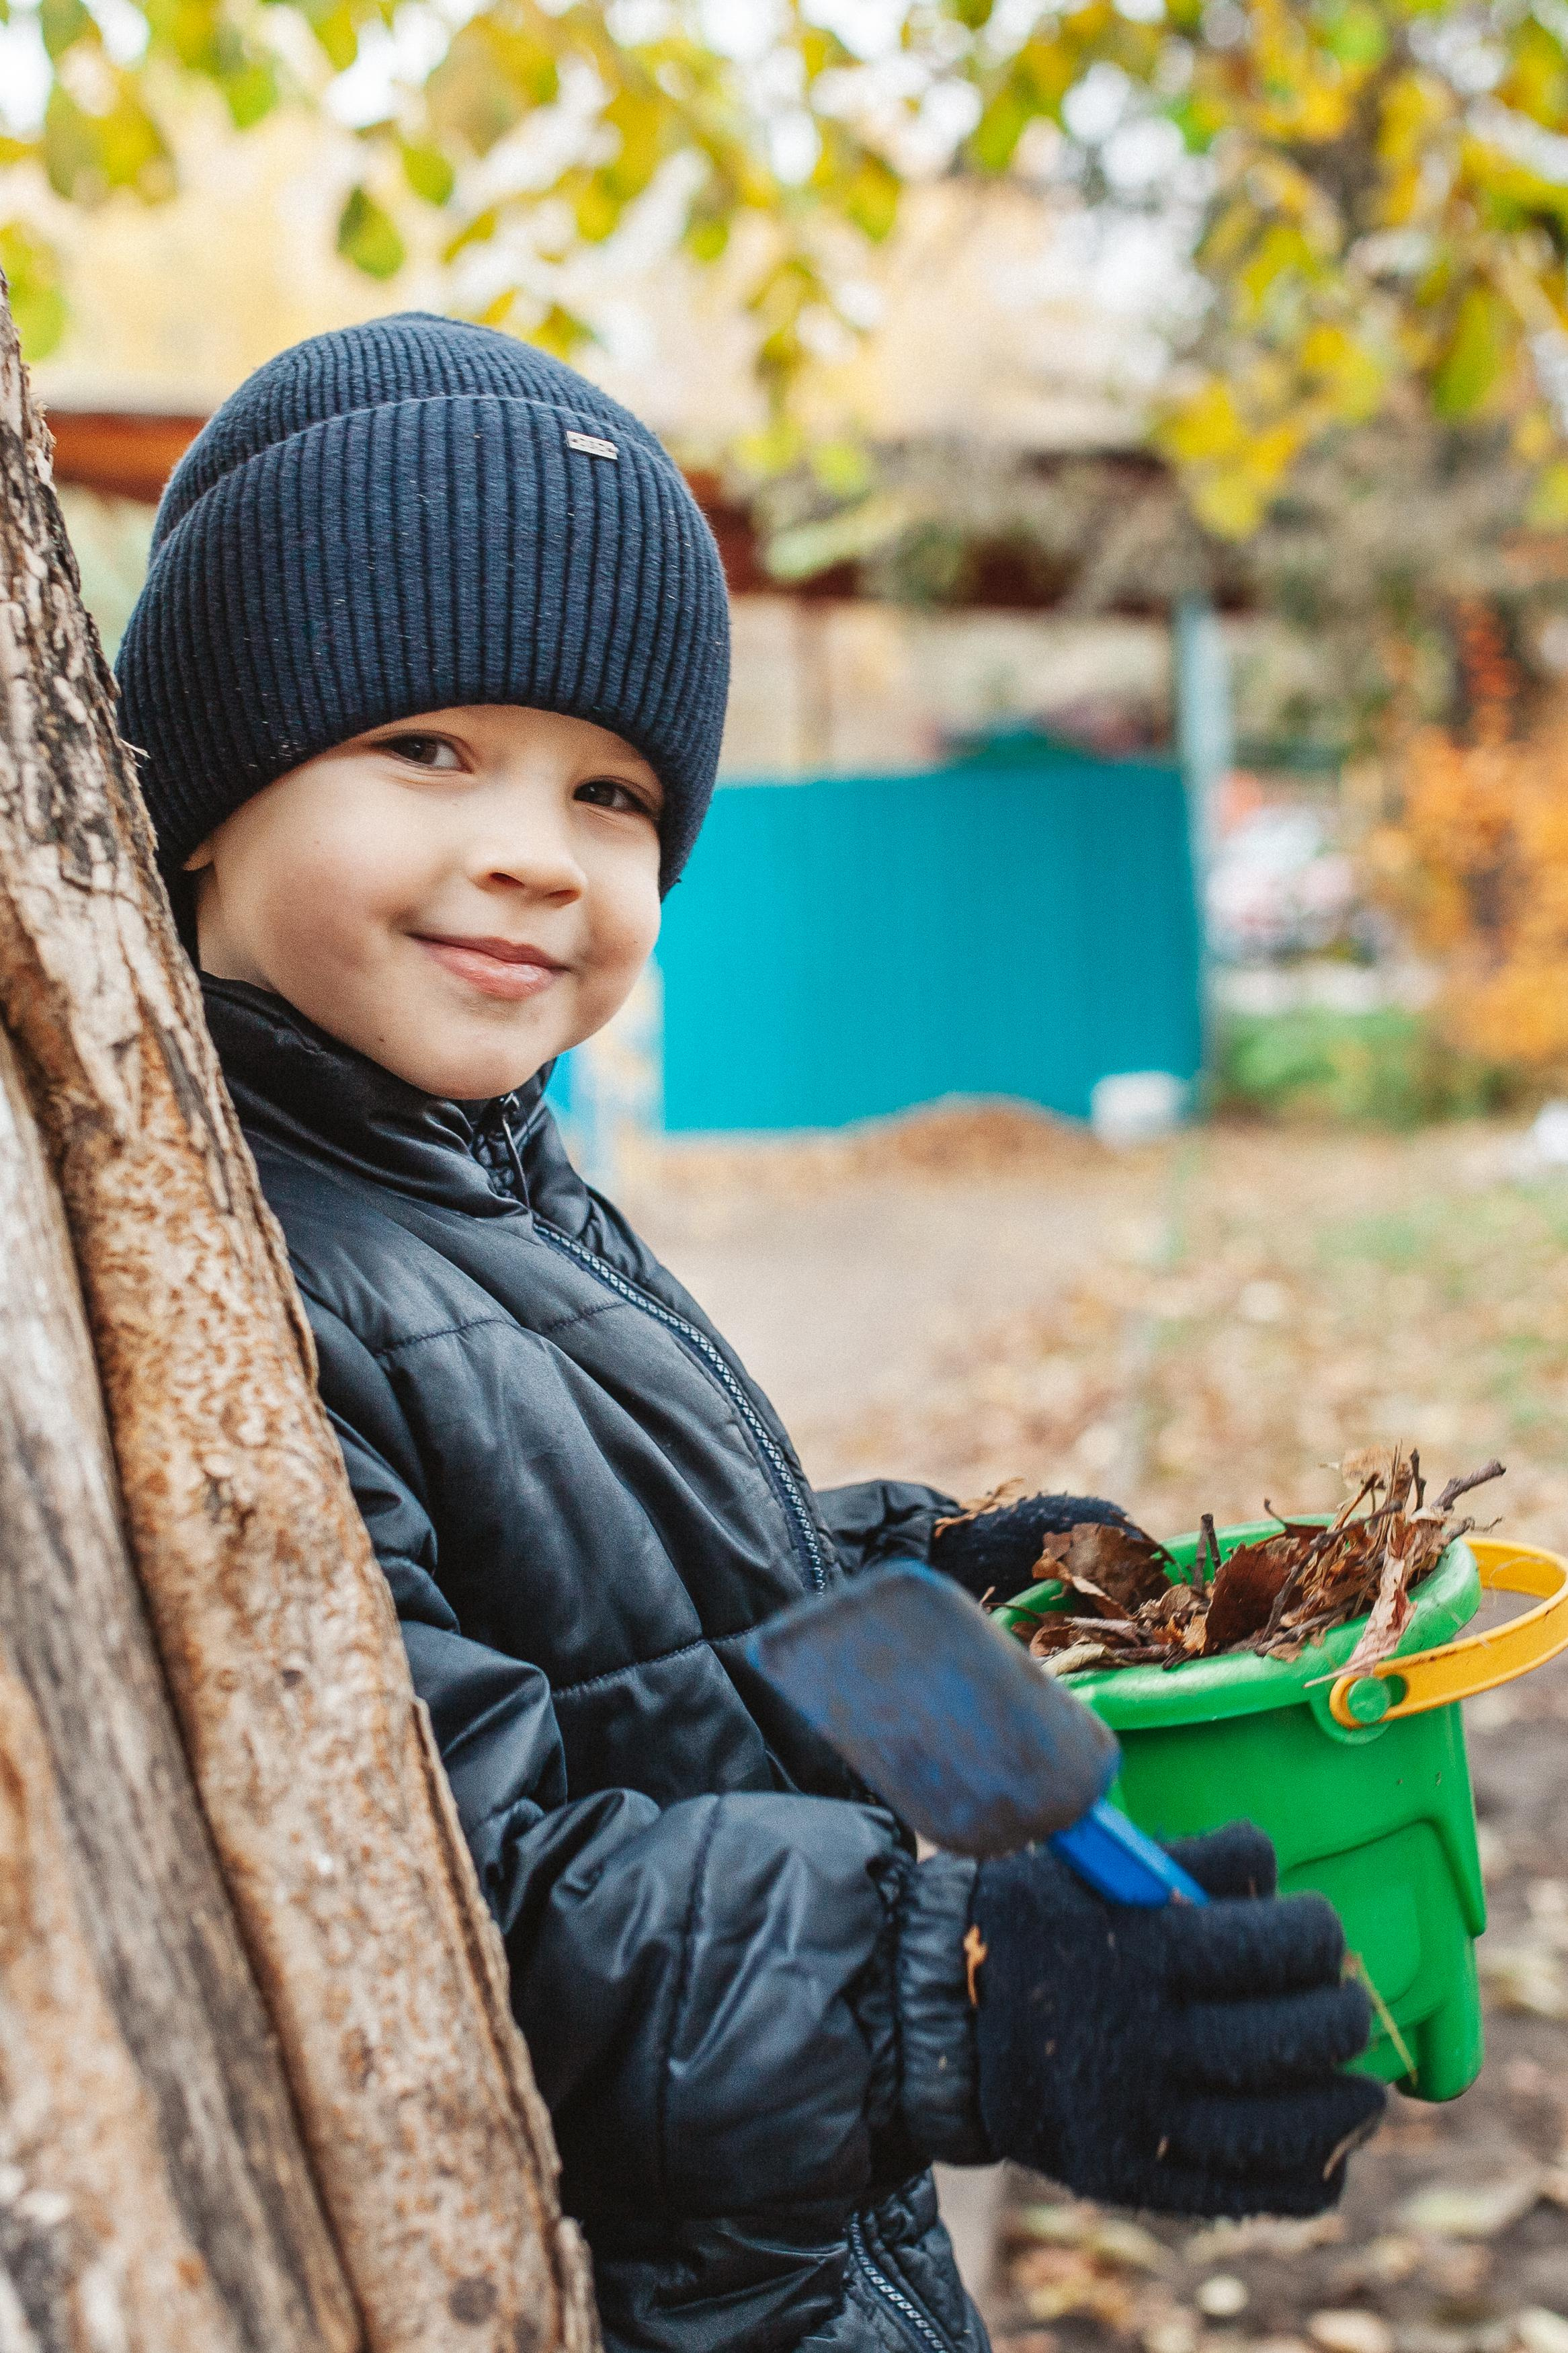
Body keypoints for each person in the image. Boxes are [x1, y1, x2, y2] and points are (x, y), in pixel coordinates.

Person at [115, 314, 1385, 2353]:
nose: (537, 847)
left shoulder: (485, 1172)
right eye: (427, 747)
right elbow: (449, 1882)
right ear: (199, 800)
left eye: (611, 790)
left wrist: (914, 1576)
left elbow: (634, 1630)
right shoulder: (236, 1272)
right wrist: (961, 1989)